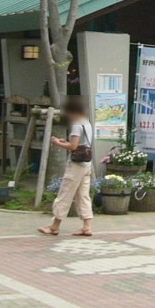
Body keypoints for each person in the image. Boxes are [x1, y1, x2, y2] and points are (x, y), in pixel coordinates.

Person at [39, 96, 95, 238]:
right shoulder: (87, 123)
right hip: (86, 164)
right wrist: (67, 142)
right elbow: (81, 143)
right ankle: (87, 227)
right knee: (83, 195)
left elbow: (73, 146)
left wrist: (58, 143)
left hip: (76, 165)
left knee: (65, 193)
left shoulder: (76, 125)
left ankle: (55, 226)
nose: (68, 115)